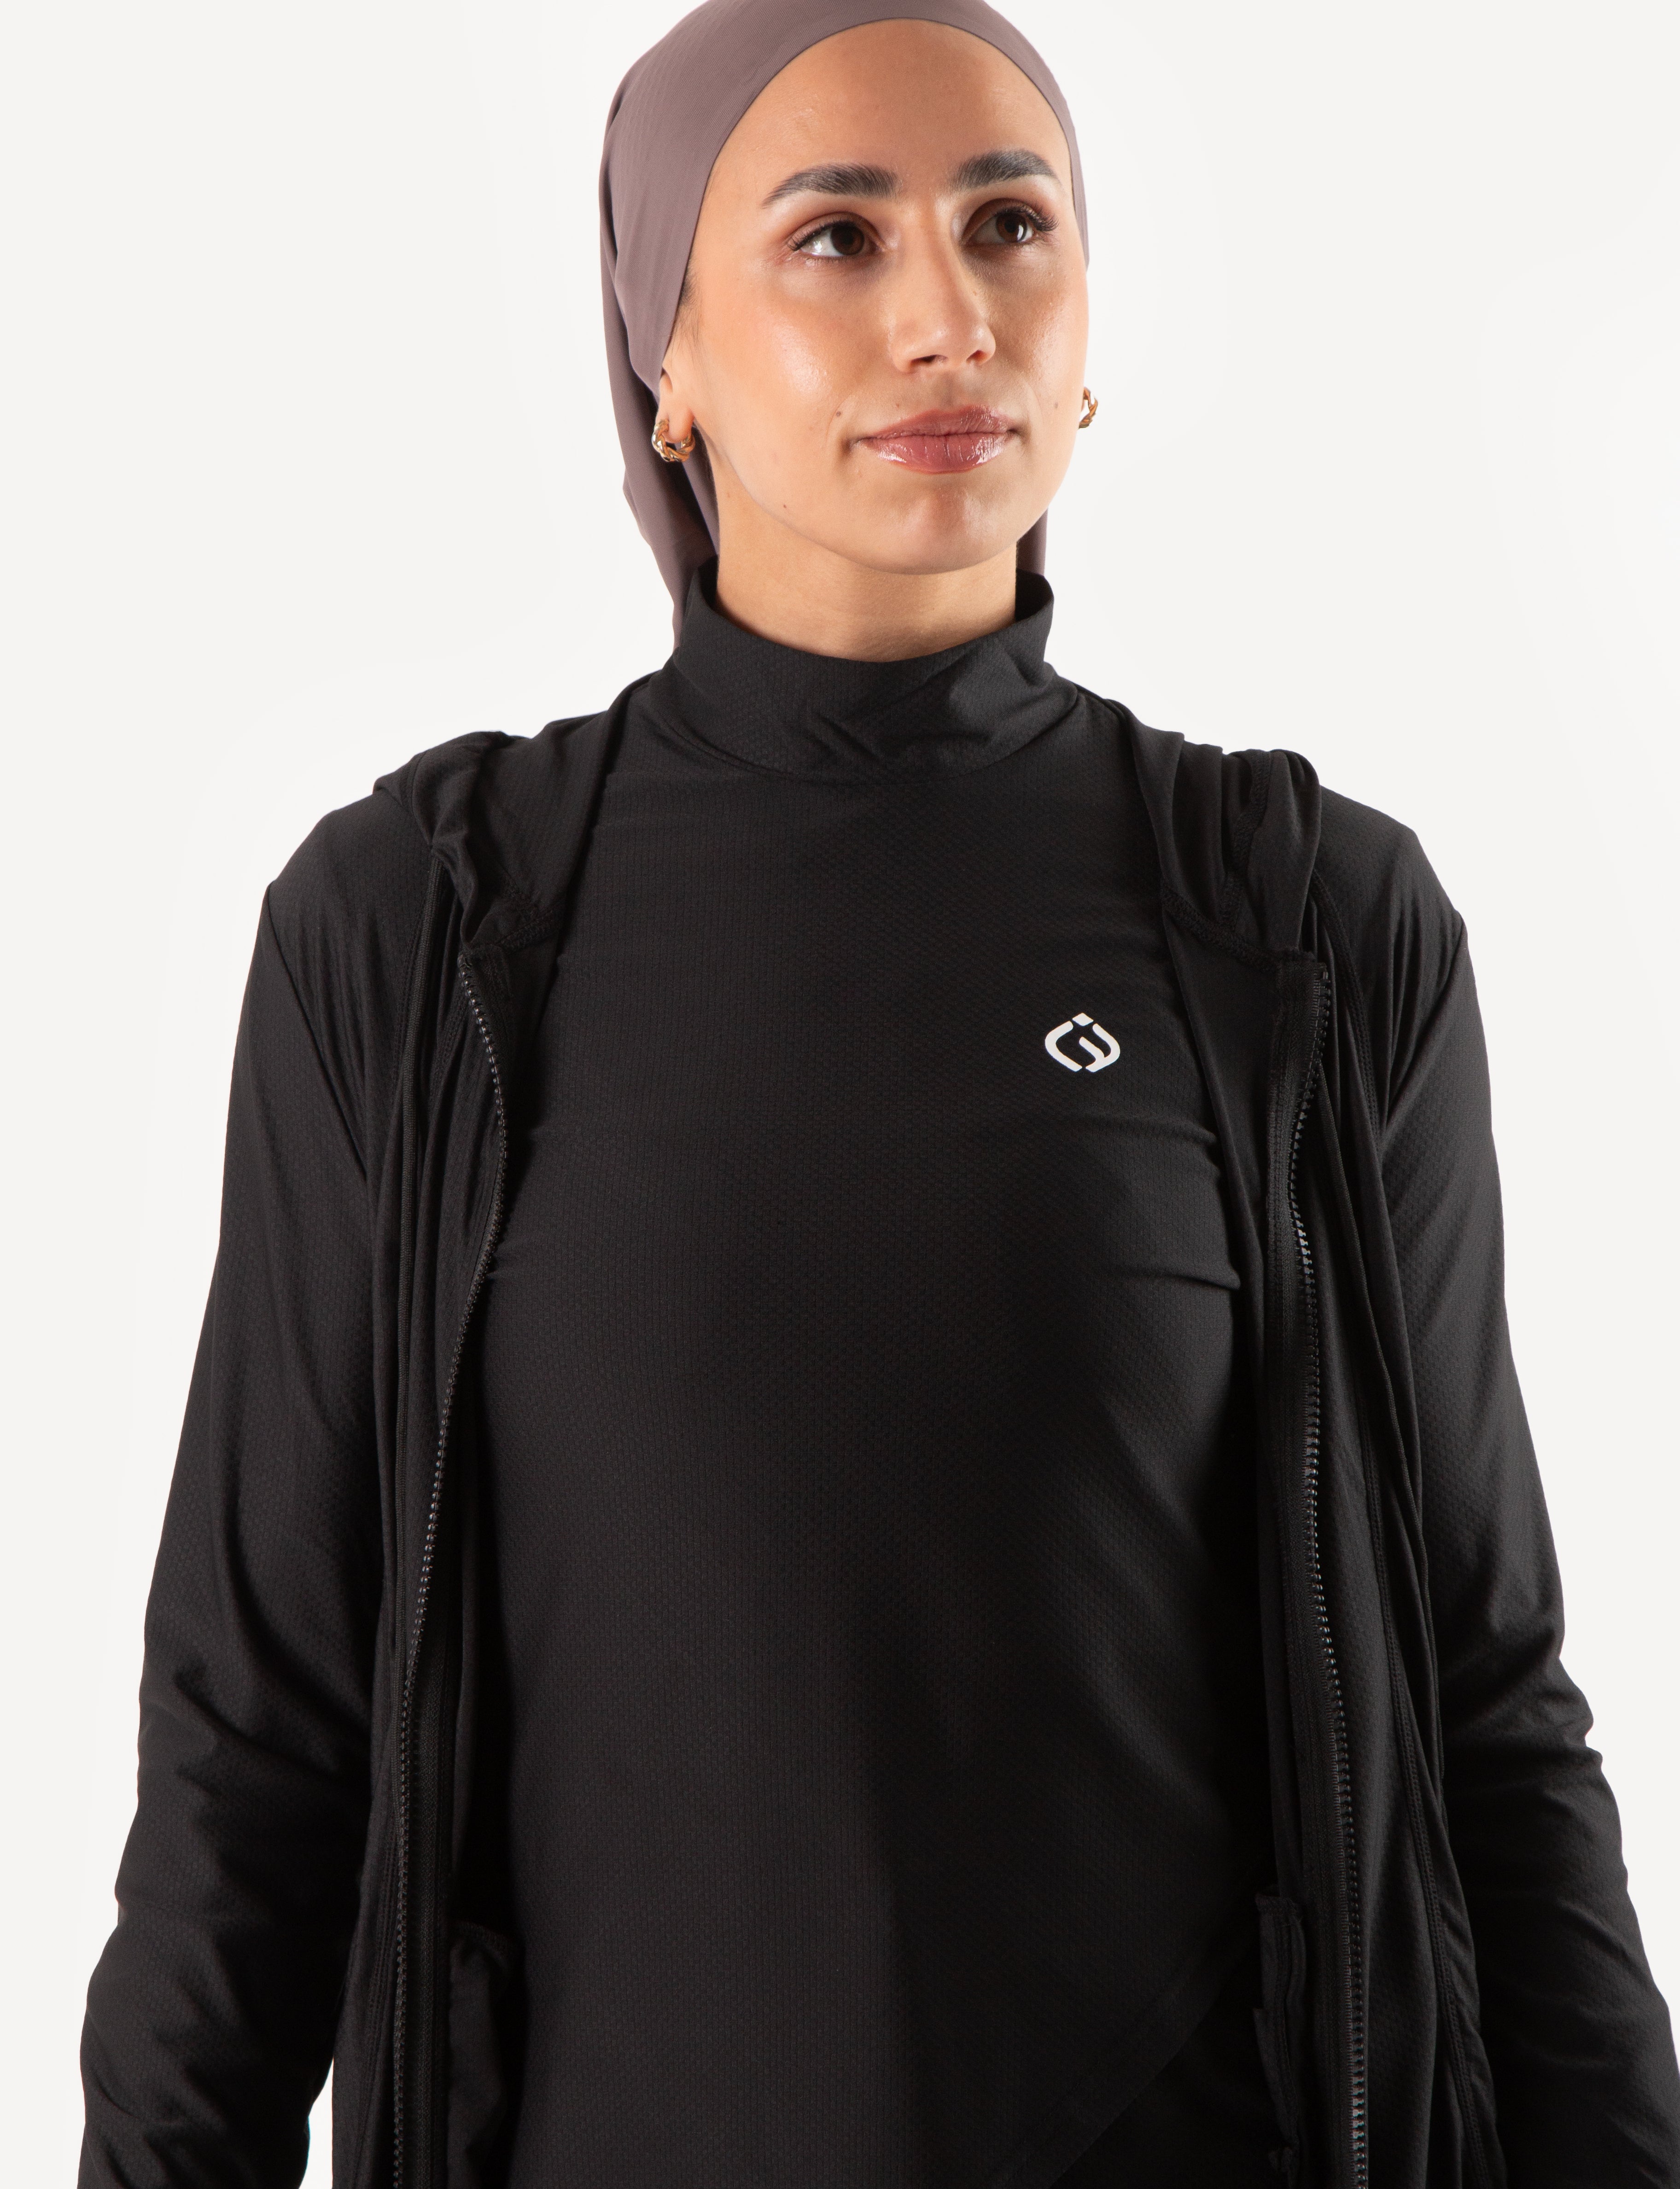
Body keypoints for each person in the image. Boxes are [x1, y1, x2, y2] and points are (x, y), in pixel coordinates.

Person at [77, 1, 1680, 2184]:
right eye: (835, 238)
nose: (951, 315)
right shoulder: (421, 935)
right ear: (665, 355)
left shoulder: (1305, 928)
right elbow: (259, 1745)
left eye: (1011, 225)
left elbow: (1486, 1704)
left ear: (1088, 327)